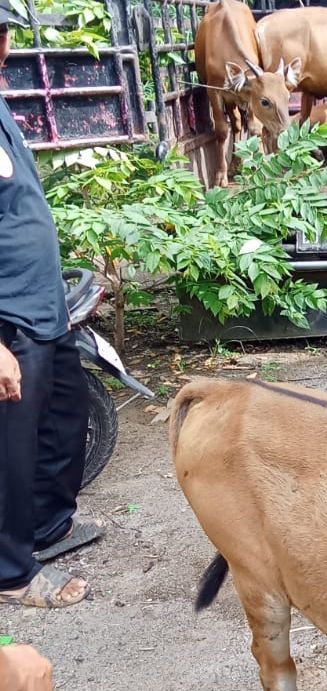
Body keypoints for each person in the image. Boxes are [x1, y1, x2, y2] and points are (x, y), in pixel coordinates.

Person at [0, 0, 103, 609]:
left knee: (66, 417)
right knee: (10, 447)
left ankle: (44, 528)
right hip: (8, 316)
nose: (4, 44)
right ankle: (11, 573)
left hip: (43, 306)